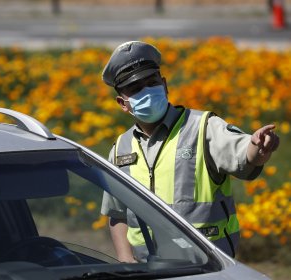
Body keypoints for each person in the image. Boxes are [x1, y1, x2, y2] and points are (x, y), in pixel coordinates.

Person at [100, 41, 280, 262]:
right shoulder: (120, 148)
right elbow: (117, 214)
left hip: (207, 267)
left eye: (152, 82)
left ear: (164, 85)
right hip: (147, 270)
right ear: (123, 103)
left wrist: (258, 148)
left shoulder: (203, 127)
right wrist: (127, 263)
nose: (147, 91)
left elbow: (242, 153)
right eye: (136, 89)